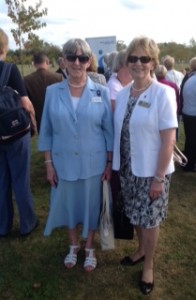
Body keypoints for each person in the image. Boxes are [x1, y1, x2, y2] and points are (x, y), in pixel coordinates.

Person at [38, 38, 114, 272]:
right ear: (63, 61)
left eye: (82, 58)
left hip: (94, 164)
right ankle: (74, 244)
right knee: (69, 206)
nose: (77, 62)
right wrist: (49, 163)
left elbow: (108, 131)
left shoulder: (100, 91)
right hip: (63, 163)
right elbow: (47, 131)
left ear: (89, 62)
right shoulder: (52, 92)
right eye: (71, 57)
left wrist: (110, 163)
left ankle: (89, 246)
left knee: (91, 207)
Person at [112, 36, 178, 295]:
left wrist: (159, 178)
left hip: (152, 171)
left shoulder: (163, 92)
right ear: (127, 62)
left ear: (153, 62)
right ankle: (139, 250)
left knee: (150, 220)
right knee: (135, 214)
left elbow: (169, 140)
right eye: (133, 58)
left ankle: (148, 265)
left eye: (144, 58)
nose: (138, 63)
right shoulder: (125, 92)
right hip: (129, 169)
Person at [0, 28, 39, 237]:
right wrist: (32, 121)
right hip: (15, 133)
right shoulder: (10, 70)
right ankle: (27, 223)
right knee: (20, 179)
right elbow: (26, 103)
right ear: (4, 47)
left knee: (1, 180)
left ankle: (3, 226)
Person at [24, 52, 63, 133]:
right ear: (47, 62)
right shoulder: (58, 77)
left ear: (34, 64)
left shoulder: (26, 80)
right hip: (57, 117)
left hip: (39, 119)